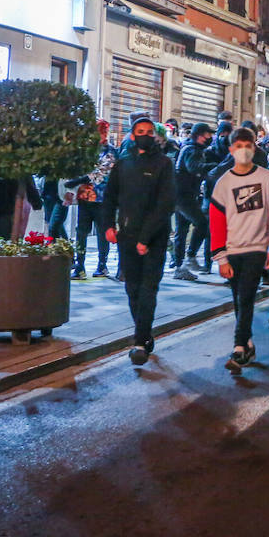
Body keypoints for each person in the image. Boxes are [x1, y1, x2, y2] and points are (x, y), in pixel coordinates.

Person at [102, 113, 176, 364]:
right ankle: (144, 333)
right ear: (133, 136)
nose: (145, 136)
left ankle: (139, 341)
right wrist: (108, 226)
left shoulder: (164, 164)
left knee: (148, 289)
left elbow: (165, 204)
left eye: (149, 132)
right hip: (127, 235)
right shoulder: (123, 164)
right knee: (132, 288)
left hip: (155, 237)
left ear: (155, 136)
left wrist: (146, 238)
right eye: (140, 132)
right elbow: (110, 197)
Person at [208, 127, 269, 373]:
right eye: (239, 146)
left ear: (255, 148)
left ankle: (238, 346)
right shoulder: (224, 183)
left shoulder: (268, 179)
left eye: (248, 145)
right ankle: (247, 343)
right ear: (230, 150)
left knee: (246, 296)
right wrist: (220, 257)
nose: (244, 150)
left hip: (256, 248)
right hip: (232, 249)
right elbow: (216, 221)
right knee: (239, 298)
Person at [66, 119, 116, 279]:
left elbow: (101, 174)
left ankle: (102, 265)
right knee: (81, 232)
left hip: (102, 199)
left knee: (101, 232)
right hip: (85, 198)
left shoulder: (110, 151)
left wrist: (78, 180)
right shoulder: (87, 151)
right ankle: (80, 266)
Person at [171, 123, 218, 281]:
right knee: (202, 223)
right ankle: (190, 257)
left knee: (182, 230)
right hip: (184, 196)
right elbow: (194, 168)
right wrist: (214, 167)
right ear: (200, 135)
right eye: (208, 135)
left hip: (182, 195)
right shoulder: (192, 150)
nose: (210, 138)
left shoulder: (191, 148)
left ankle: (180, 267)